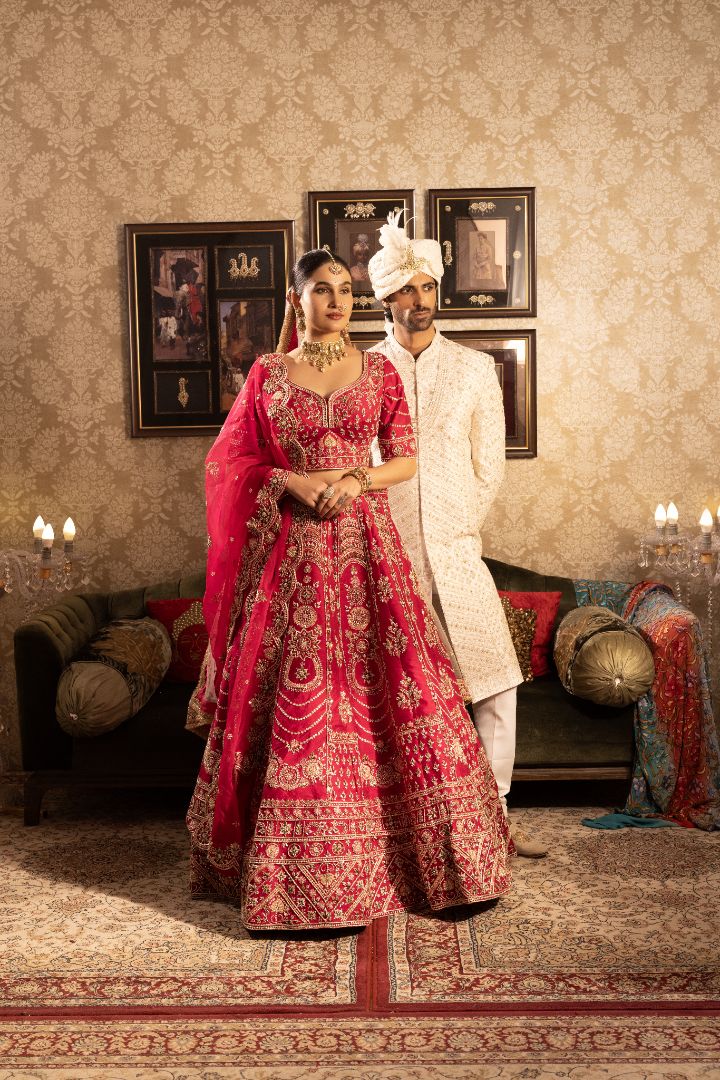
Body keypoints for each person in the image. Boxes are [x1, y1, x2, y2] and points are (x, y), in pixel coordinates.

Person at [186, 246, 513, 931]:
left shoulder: (379, 371)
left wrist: (355, 480)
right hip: (292, 554)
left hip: (367, 547)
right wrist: (291, 481)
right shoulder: (268, 374)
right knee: (300, 697)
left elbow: (404, 458)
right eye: (321, 289)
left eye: (345, 290)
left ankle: (447, 867)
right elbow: (231, 461)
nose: (336, 300)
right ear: (295, 297)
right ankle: (301, 880)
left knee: (395, 690)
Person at [367, 211, 547, 859]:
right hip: (386, 557)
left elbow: (488, 466)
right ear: (384, 298)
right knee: (390, 689)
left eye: (425, 287)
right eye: (404, 290)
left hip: (455, 549)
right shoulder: (364, 373)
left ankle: (494, 815)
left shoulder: (473, 370)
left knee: (496, 681)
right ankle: (398, 824)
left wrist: (454, 524)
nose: (417, 301)